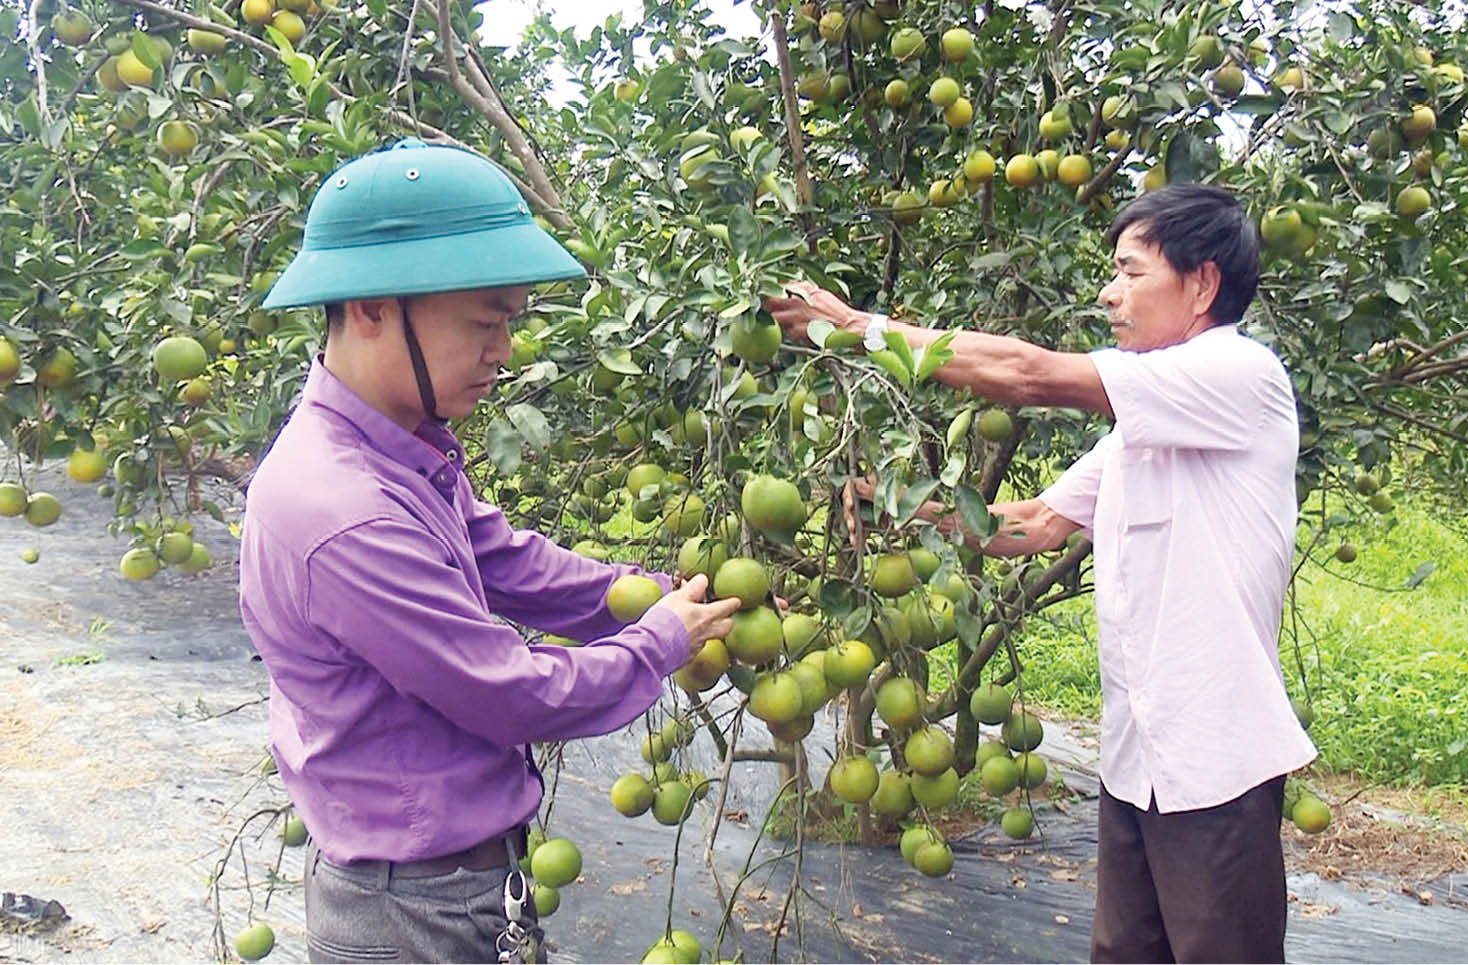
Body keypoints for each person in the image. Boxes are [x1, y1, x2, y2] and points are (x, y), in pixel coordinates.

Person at [764, 182, 1317, 963]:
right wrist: (900, 507)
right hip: (1138, 760)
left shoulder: (1237, 374)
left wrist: (859, 329)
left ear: (1202, 284)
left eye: (1130, 272)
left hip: (1216, 764)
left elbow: (1027, 373)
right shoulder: (1144, 427)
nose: (1109, 292)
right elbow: (1030, 525)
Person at [239, 139, 742, 964]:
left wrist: (669, 592)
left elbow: (508, 562)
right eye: (486, 320)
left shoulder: (397, 449)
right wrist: (663, 640)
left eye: (510, 320)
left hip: (453, 891)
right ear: (370, 307)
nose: (504, 349)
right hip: (413, 914)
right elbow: (507, 692)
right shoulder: (344, 511)